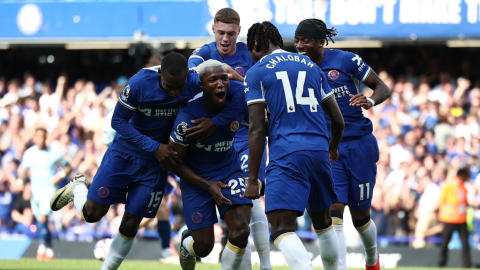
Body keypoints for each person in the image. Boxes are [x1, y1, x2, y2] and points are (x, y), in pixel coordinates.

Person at [50, 53, 245, 270]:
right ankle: (78, 187)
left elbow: (237, 88)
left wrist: (217, 122)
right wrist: (153, 146)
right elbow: (117, 121)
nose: (175, 93)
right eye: (170, 87)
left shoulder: (193, 80)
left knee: (131, 223)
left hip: (156, 164)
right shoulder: (138, 84)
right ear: (160, 74)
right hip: (125, 154)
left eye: (179, 87)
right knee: (91, 214)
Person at [244, 21, 344, 270]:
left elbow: (256, 129)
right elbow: (338, 120)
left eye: (251, 51)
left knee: (280, 229)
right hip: (319, 151)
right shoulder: (311, 65)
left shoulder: (256, 71)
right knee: (323, 222)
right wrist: (332, 147)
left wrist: (252, 178)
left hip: (287, 152)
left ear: (257, 45)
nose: (252, 56)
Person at [294, 18, 392, 270]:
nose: (299, 45)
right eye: (297, 40)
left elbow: (382, 88)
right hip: (329, 150)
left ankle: (372, 258)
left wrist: (369, 101)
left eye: (305, 40)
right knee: (333, 211)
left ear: (320, 42)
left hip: (359, 145)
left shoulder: (346, 60)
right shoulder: (296, 69)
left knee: (361, 218)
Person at [188, 8, 271, 270]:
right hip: (216, 143)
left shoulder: (249, 54)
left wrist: (235, 76)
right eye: (221, 32)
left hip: (247, 138)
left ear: (239, 32)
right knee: (235, 211)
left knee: (251, 198)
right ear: (213, 29)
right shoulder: (202, 54)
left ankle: (266, 264)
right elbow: (191, 75)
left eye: (231, 33)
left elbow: (266, 89)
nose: (226, 38)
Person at [169, 60, 252, 270]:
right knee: (204, 247)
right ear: (202, 85)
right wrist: (207, 185)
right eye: (213, 80)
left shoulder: (237, 95)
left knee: (241, 230)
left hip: (229, 170)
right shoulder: (187, 118)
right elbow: (173, 163)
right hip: (197, 180)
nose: (221, 84)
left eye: (224, 78)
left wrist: (215, 123)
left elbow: (251, 90)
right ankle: (187, 244)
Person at [18, 127, 72, 260]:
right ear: (34, 138)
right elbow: (24, 170)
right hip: (35, 191)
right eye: (38, 136)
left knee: (43, 217)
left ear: (46, 137)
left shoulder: (54, 153)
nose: (41, 139)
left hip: (49, 190)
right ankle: (49, 249)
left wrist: (60, 175)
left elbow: (68, 166)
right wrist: (20, 180)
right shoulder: (29, 153)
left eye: (43, 136)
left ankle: (41, 248)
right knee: (42, 220)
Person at [437, 167, 472, 268]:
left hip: (461, 220)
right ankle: (441, 265)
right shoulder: (450, 186)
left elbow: (464, 203)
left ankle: (467, 266)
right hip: (449, 219)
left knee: (465, 245)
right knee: (444, 244)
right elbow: (442, 201)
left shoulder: (463, 188)